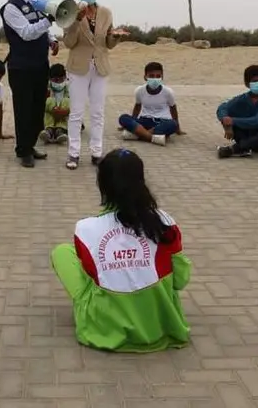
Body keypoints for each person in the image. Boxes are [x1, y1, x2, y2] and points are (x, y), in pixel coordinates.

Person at [50, 148, 191, 352]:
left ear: (103, 185)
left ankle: (108, 315)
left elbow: (91, 275)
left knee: (62, 252)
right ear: (141, 181)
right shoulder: (165, 224)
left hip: (104, 330)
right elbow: (181, 280)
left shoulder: (85, 228)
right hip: (158, 328)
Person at [61, 0, 129, 168]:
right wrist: (75, 21)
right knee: (76, 112)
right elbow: (69, 42)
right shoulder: (70, 11)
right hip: (78, 67)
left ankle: (96, 152)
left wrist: (116, 37)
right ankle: (73, 154)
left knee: (98, 112)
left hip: (100, 66)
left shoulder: (106, 13)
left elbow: (108, 42)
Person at [0, 0, 60, 168]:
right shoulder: (10, 7)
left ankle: (31, 145)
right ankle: (23, 150)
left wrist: (51, 39)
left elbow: (41, 24)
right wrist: (49, 21)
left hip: (40, 65)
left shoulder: (37, 1)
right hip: (21, 68)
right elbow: (26, 33)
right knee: (24, 110)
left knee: (37, 110)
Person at [116, 62, 184, 152]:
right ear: (145, 77)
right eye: (151, 76)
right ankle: (153, 138)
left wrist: (178, 128)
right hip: (144, 120)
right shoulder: (140, 90)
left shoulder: (168, 92)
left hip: (161, 122)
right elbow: (137, 107)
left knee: (172, 124)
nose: (155, 79)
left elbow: (173, 109)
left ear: (162, 77)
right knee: (123, 118)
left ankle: (138, 134)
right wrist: (132, 121)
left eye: (158, 76)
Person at [216, 65, 258, 158]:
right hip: (244, 135)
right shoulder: (242, 99)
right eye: (255, 81)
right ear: (247, 83)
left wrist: (233, 121)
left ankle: (236, 149)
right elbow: (222, 108)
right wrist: (226, 122)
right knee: (230, 120)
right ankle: (243, 147)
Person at [41, 63, 70, 145]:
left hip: (65, 114)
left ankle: (59, 131)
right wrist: (53, 108)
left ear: (64, 77)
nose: (57, 82)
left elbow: (75, 105)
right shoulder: (47, 87)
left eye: (59, 79)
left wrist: (64, 111)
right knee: (49, 101)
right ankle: (49, 131)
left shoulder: (69, 87)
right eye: (54, 80)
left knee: (66, 101)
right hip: (50, 114)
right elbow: (42, 103)